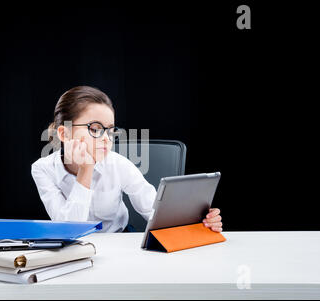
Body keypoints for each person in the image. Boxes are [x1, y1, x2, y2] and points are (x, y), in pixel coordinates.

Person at [31, 86, 222, 233]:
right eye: (95, 129)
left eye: (110, 130)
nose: (106, 138)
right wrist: (86, 170)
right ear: (64, 133)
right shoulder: (43, 169)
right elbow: (69, 231)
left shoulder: (118, 164)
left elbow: (155, 211)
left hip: (118, 240)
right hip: (74, 249)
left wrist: (200, 221)